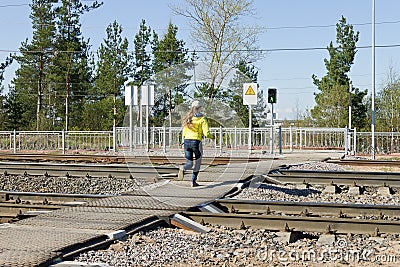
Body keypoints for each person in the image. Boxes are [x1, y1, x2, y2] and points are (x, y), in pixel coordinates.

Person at [178, 100, 213, 187]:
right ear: (200, 108)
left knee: (189, 163)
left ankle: (183, 168)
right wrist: (212, 137)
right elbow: (206, 133)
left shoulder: (188, 118)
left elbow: (184, 131)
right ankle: (193, 181)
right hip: (196, 142)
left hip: (186, 141)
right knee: (198, 162)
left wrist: (183, 141)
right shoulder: (202, 118)